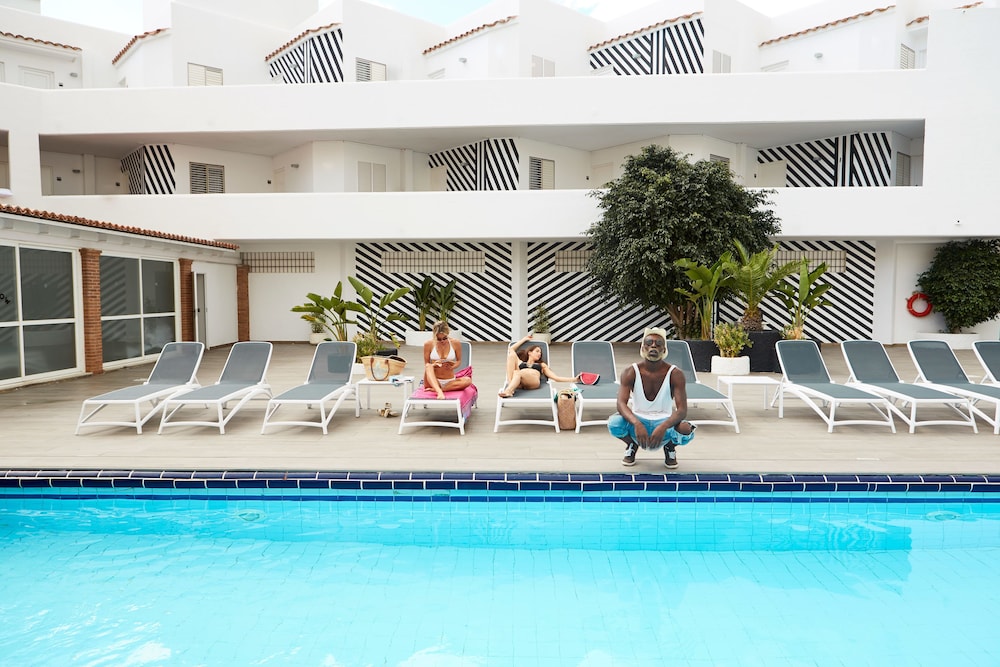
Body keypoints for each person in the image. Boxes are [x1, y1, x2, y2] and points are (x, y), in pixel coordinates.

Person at [608, 327, 697, 469]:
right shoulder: (631, 371)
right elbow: (621, 404)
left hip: (664, 421)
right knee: (614, 423)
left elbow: (682, 410)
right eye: (649, 343)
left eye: (658, 343)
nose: (653, 346)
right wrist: (637, 424)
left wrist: (663, 426)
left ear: (664, 349)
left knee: (686, 429)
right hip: (638, 420)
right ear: (643, 347)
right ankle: (632, 444)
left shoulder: (675, 374)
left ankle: (669, 447)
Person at [499, 333, 579, 398]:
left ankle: (509, 390)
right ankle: (510, 386)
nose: (539, 354)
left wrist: (574, 379)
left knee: (517, 372)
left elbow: (556, 378)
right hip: (520, 382)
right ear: (529, 353)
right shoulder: (521, 362)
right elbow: (511, 349)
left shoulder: (541, 365)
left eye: (540, 352)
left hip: (533, 382)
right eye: (537, 351)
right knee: (511, 356)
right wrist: (524, 339)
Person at [422, 320, 473, 399]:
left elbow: (459, 361)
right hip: (433, 381)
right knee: (428, 366)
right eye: (439, 339)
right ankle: (439, 391)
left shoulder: (455, 343)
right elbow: (426, 364)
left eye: (444, 338)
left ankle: (442, 390)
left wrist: (453, 366)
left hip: (450, 381)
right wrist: (434, 365)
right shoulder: (428, 344)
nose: (442, 341)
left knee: (468, 380)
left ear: (448, 333)